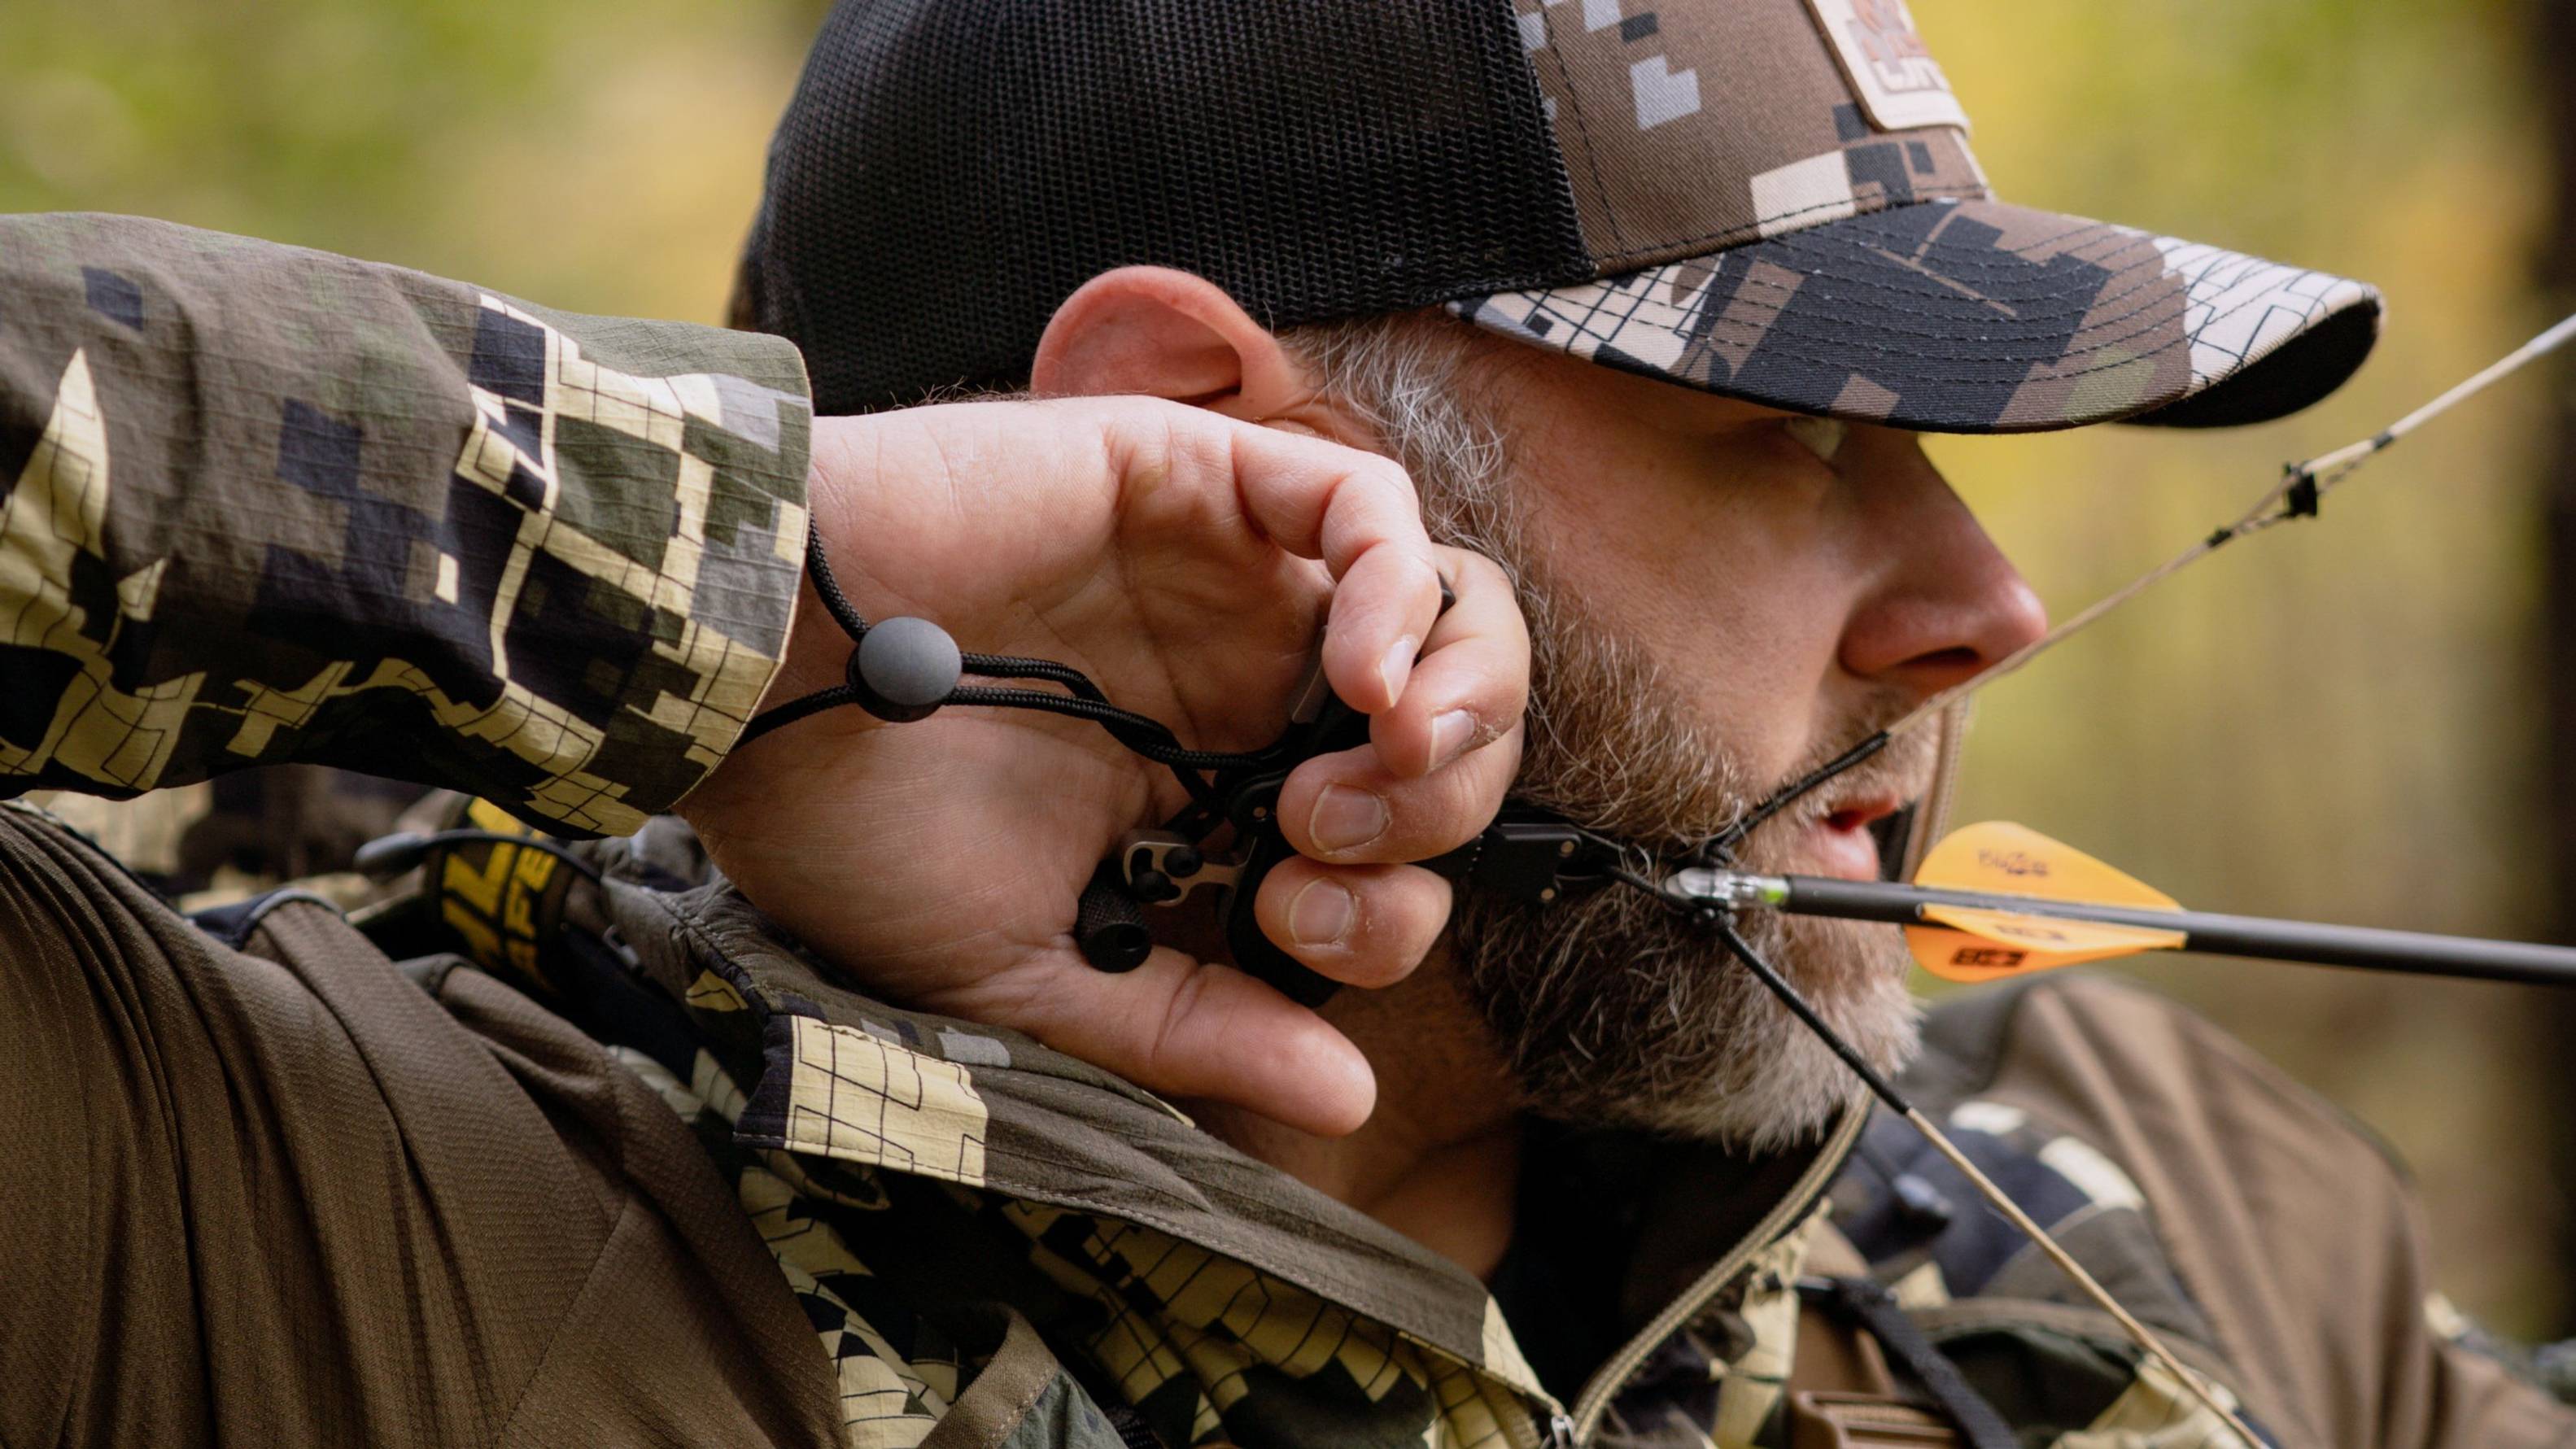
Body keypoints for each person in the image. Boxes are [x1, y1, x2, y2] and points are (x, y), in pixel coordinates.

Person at [2, 6, 2565, 1449]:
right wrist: (767, 586)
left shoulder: (2155, 1226)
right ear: (1214, 436)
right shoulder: (284, 1218)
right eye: (1791, 431)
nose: (1985, 600)